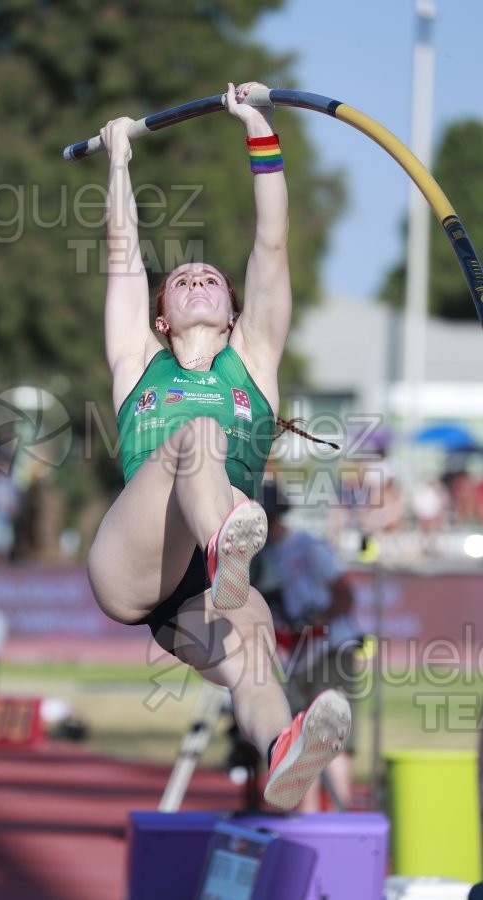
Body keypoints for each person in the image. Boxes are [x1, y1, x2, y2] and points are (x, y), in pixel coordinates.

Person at [86, 81, 351, 811]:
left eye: (211, 277)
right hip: (134, 563)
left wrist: (258, 128)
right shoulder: (139, 364)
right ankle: (224, 551)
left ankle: (283, 753)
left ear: (235, 311)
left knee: (255, 653)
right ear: (162, 318)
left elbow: (271, 241)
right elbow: (120, 254)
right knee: (194, 438)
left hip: (202, 596)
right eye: (181, 279)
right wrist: (117, 161)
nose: (198, 277)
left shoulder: (254, 362)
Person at [254, 482, 361, 811]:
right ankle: (308, 820)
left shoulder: (308, 547)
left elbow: (345, 595)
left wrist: (315, 620)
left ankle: (340, 822)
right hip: (297, 660)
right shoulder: (263, 559)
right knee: (302, 745)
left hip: (331, 651)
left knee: (332, 742)